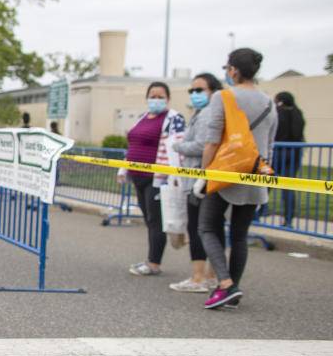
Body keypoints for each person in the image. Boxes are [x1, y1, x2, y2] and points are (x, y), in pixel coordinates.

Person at [197, 48, 277, 309]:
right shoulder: (268, 101)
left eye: (227, 68)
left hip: (224, 172)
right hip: (255, 172)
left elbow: (212, 140)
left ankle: (225, 284)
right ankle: (232, 289)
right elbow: (270, 143)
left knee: (208, 227)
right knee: (240, 235)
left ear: (233, 70)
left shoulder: (224, 96)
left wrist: (204, 175)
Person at [117, 82, 186, 276]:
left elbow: (177, 146)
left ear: (168, 99)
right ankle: (150, 259)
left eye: (160, 96)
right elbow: (133, 146)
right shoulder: (142, 118)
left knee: (155, 219)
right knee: (148, 218)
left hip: (158, 177)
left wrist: (175, 174)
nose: (156, 100)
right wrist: (123, 170)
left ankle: (154, 262)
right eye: (152, 96)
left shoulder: (174, 119)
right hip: (137, 176)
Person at [169, 73, 221, 293]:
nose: (194, 94)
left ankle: (199, 277)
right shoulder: (203, 113)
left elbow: (202, 146)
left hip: (199, 179)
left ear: (213, 92)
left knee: (199, 228)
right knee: (211, 228)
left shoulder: (208, 114)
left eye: (199, 90)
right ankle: (211, 275)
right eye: (192, 91)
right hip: (203, 178)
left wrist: (178, 145)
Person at [273, 91, 305, 226]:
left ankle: (257, 213)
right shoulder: (298, 114)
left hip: (277, 152)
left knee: (264, 184)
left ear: (280, 101)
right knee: (288, 187)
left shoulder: (278, 113)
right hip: (294, 153)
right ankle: (288, 219)